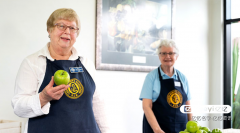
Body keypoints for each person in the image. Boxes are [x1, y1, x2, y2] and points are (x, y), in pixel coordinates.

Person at [12, 8, 109, 133]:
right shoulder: (32, 63)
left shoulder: (86, 64)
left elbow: (99, 105)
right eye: (61, 26)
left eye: (72, 28)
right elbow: (18, 107)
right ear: (49, 30)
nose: (67, 31)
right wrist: (43, 97)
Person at [139, 39, 192, 133]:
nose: (167, 56)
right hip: (158, 129)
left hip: (181, 129)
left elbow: (187, 106)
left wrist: (192, 126)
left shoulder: (183, 78)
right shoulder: (151, 77)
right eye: (163, 53)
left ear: (177, 56)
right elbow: (146, 106)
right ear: (159, 56)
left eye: (171, 53)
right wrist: (157, 129)